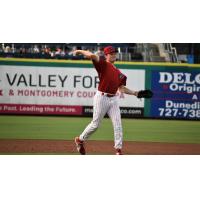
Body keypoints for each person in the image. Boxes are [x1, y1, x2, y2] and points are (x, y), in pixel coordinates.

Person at [73, 46, 139, 155]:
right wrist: (79, 51)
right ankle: (80, 140)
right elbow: (91, 55)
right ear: (106, 55)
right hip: (101, 97)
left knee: (118, 124)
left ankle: (118, 150)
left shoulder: (119, 73)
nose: (113, 55)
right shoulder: (103, 64)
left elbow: (121, 88)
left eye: (114, 53)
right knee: (95, 125)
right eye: (111, 53)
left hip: (114, 99)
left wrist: (136, 93)